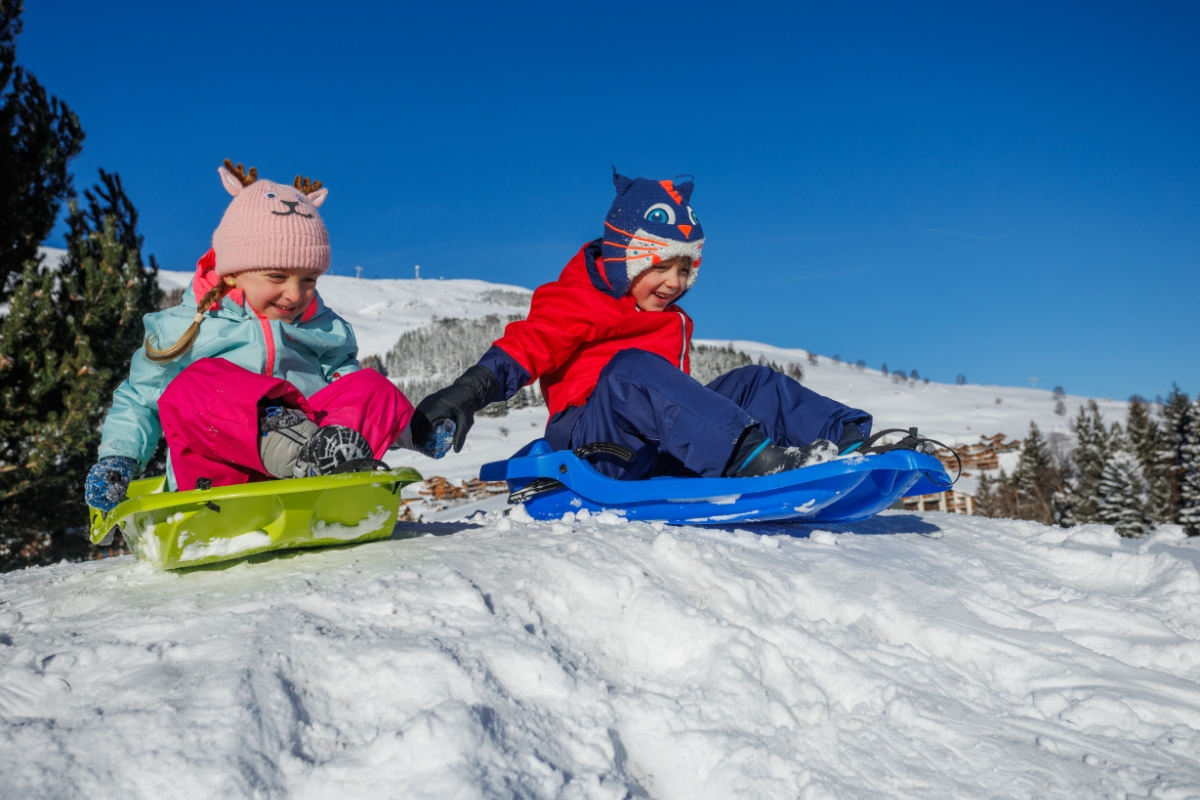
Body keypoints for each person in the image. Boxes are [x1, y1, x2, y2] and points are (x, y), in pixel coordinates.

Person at [410, 170, 873, 481]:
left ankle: (850, 442)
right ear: (626, 260)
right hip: (592, 443)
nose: (674, 283)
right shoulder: (580, 297)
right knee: (632, 368)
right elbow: (530, 344)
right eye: (661, 267)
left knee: (754, 382)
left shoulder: (669, 320)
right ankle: (748, 459)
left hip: (658, 449)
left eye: (685, 270)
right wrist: (466, 393)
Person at [84, 160, 414, 512]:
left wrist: (414, 430)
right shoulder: (188, 325)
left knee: (371, 385)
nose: (295, 294)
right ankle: (290, 440)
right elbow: (139, 398)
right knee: (196, 384)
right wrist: (118, 459)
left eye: (309, 280)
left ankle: (330, 464)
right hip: (220, 484)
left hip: (311, 475)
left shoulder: (321, 328)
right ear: (232, 272)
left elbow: (350, 395)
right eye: (277, 277)